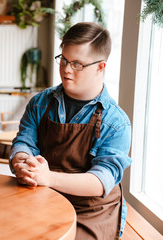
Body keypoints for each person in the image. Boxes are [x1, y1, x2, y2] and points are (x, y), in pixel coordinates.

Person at [10, 22, 132, 239]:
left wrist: (48, 177)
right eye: (64, 60)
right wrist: (22, 160)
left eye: (77, 64)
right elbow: (25, 142)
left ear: (100, 67)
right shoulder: (40, 103)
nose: (66, 69)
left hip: (91, 210)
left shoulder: (117, 122)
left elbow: (100, 181)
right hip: (43, 196)